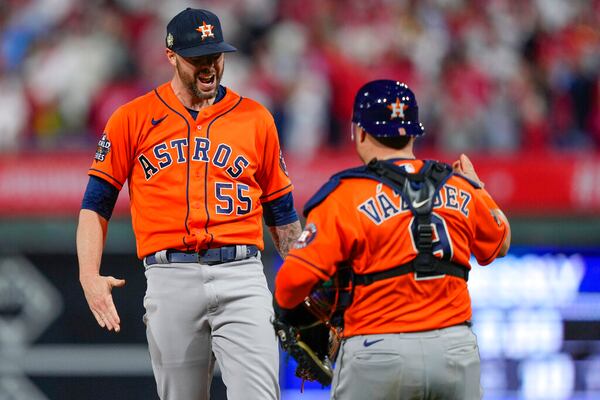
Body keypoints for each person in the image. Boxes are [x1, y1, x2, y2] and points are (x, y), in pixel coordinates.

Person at [76, 8, 301, 400]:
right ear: (170, 56)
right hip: (170, 276)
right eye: (197, 58)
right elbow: (96, 205)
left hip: (242, 274)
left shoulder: (256, 118)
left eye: (215, 56)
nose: (209, 67)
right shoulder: (132, 118)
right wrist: (88, 275)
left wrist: (304, 288)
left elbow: (282, 214)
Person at [274, 79, 511, 399]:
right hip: (456, 353)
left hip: (378, 351)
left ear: (358, 131)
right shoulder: (459, 185)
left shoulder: (345, 195)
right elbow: (500, 240)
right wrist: (478, 188)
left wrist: (300, 321)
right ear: (413, 132)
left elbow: (290, 284)